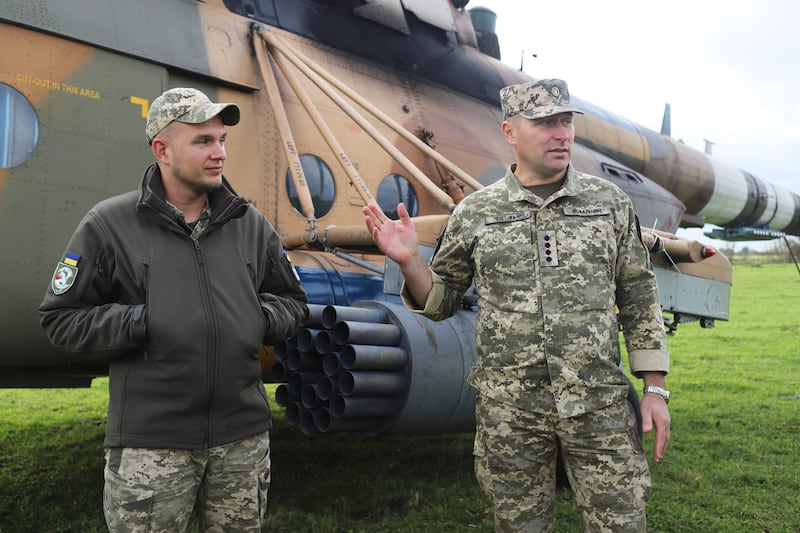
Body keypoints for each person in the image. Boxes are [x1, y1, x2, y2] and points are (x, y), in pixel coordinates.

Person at [363, 78, 671, 532]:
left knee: (621, 524)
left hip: (598, 405)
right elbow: (442, 300)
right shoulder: (476, 213)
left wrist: (654, 388)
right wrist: (410, 261)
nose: (562, 133)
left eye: (566, 121)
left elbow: (639, 294)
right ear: (510, 131)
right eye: (546, 123)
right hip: (510, 413)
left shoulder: (608, 205)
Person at [39, 87, 308, 532]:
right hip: (151, 445)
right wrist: (144, 319)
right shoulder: (109, 225)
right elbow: (60, 318)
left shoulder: (250, 224)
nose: (219, 153)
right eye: (203, 141)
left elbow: (293, 303)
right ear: (162, 149)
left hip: (242, 440)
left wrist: (259, 318)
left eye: (222, 140)